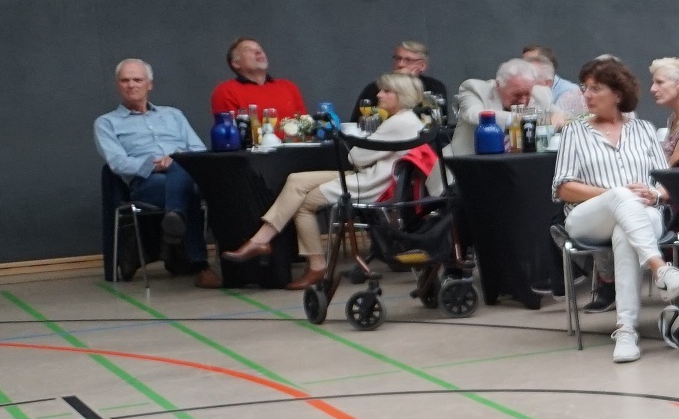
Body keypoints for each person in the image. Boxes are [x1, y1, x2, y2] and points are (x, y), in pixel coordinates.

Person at [548, 57, 679, 364]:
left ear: (617, 94)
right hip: (589, 217)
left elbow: (665, 183)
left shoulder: (644, 130)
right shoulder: (575, 132)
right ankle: (661, 269)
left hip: (644, 213)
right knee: (620, 196)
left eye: (595, 88)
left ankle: (626, 331)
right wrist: (614, 194)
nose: (586, 95)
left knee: (624, 234)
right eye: (584, 88)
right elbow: (562, 188)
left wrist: (655, 193)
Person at [220, 74, 431, 284]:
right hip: (373, 176)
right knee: (295, 180)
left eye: (386, 91)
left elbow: (356, 157)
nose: (379, 95)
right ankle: (261, 240)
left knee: (304, 204)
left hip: (373, 184)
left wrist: (364, 145)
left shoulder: (398, 123)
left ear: (401, 95)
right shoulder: (408, 120)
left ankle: (316, 266)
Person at [94, 58, 218, 285]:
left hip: (184, 176)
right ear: (117, 85)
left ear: (149, 84)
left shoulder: (173, 115)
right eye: (125, 80)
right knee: (187, 188)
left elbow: (199, 150)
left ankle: (175, 216)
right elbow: (117, 163)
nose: (131, 85)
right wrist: (155, 165)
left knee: (184, 171)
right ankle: (200, 266)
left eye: (137, 79)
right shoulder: (106, 123)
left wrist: (175, 160)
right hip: (148, 183)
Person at [449, 57, 558, 156]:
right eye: (517, 94)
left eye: (527, 94)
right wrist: (519, 119)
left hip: (523, 163)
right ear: (498, 85)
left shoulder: (541, 94)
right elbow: (473, 114)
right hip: (468, 162)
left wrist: (560, 119)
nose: (523, 100)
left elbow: (561, 115)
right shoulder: (474, 88)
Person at [210, 37, 308, 125]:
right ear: (236, 63)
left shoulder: (288, 87)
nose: (258, 52)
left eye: (260, 49)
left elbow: (305, 128)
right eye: (249, 50)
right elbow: (231, 133)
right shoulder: (226, 91)